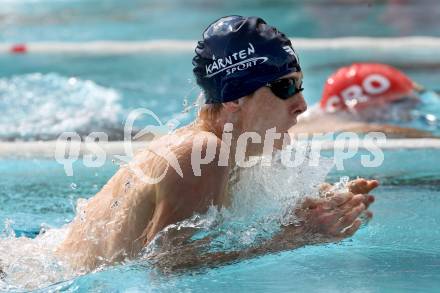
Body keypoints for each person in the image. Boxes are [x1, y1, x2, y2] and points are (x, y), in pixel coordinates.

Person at [56, 16, 377, 272]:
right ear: (235, 98)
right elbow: (166, 266)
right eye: (284, 87)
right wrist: (300, 236)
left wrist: (326, 206)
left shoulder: (242, 150)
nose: (302, 104)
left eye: (300, 85)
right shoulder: (202, 152)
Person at [293, 63, 439, 138]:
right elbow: (377, 129)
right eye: (399, 102)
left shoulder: (333, 110)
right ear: (359, 105)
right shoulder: (331, 124)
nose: (413, 105)